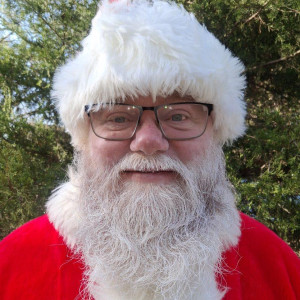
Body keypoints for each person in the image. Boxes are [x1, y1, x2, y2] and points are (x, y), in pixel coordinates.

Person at [0, 0, 299, 299]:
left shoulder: (280, 268)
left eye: (179, 116)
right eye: (118, 117)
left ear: (215, 131)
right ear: (83, 138)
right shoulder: (11, 266)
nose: (147, 141)